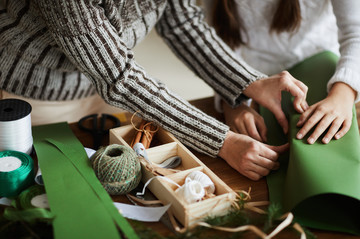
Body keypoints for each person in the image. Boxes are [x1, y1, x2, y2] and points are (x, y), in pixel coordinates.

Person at [0, 0, 308, 180]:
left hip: (108, 90)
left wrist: (251, 81)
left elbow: (182, 22)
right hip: (33, 96)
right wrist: (222, 141)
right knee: (44, 184)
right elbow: (118, 77)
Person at [208, 0, 360, 145]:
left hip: (325, 73)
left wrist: (343, 95)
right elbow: (211, 45)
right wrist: (231, 101)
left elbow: (355, 33)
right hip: (249, 86)